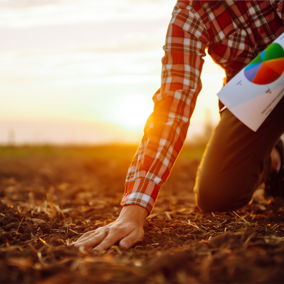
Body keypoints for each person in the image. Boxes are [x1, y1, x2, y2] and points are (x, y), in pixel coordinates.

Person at [73, 0, 284, 250]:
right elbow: (172, 109)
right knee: (217, 194)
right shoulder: (190, 15)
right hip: (259, 82)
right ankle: (274, 160)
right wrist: (132, 211)